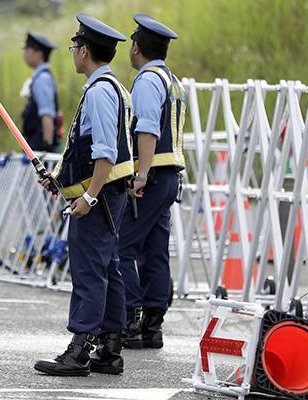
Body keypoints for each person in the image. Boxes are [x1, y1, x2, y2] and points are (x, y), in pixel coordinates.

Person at [34, 13, 133, 376]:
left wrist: (88, 197)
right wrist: (60, 181)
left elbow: (105, 153)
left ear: (85, 51)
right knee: (107, 268)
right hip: (108, 194)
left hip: (101, 198)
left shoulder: (99, 92)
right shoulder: (113, 87)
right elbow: (87, 150)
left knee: (90, 270)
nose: (73, 52)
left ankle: (80, 349)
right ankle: (109, 347)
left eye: (76, 47)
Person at [118, 13, 186, 349]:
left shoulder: (146, 80)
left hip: (153, 175)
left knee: (121, 248)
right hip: (170, 175)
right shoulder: (171, 80)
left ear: (136, 47)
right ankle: (152, 326)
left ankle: (129, 318)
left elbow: (147, 128)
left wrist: (140, 174)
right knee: (155, 250)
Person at [20, 32, 60, 152]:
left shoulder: (42, 79)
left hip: (39, 146)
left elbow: (46, 115)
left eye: (27, 49)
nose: (25, 54)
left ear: (38, 53)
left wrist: (47, 146)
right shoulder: (40, 77)